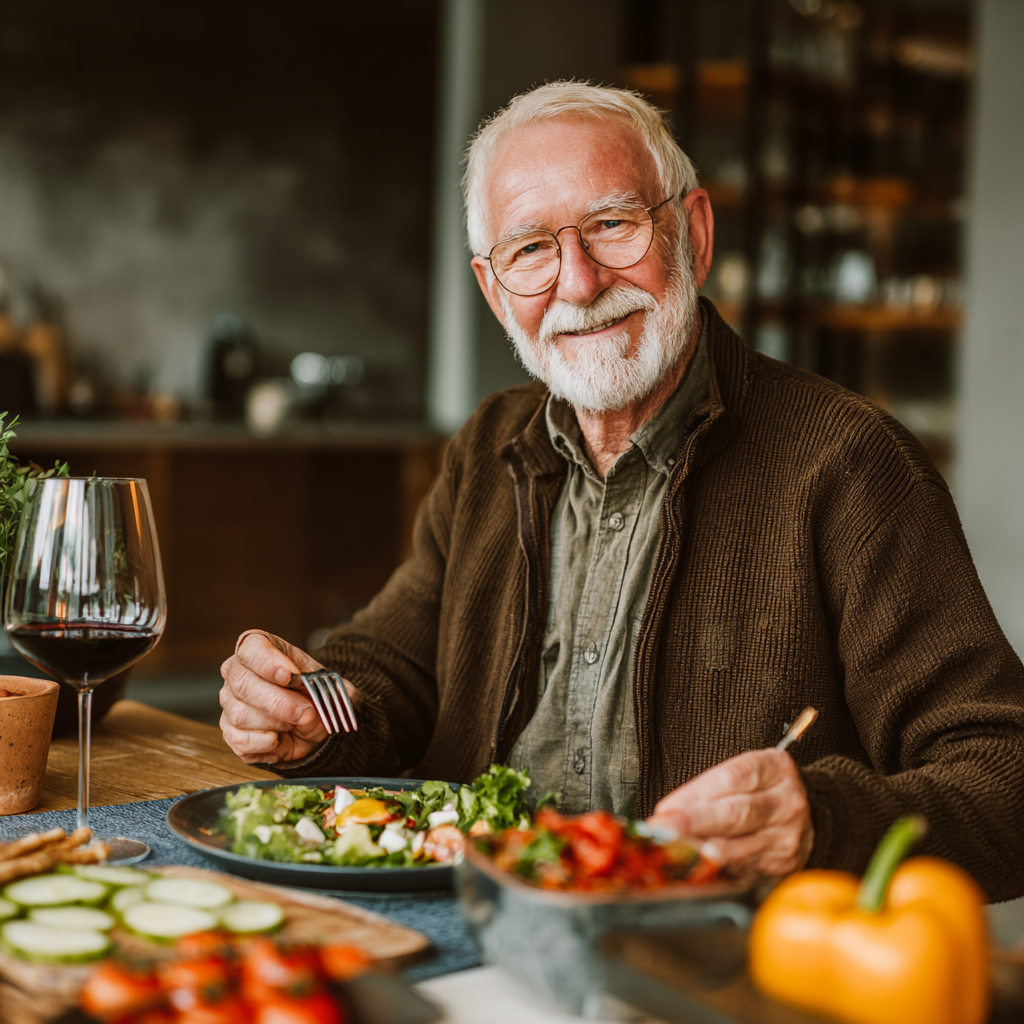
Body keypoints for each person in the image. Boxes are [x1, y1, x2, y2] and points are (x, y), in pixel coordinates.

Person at [218, 82, 1024, 899]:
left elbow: (1007, 773)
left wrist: (823, 822)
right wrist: (318, 710)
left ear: (694, 235)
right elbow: (396, 667)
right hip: (468, 926)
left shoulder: (851, 462)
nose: (578, 281)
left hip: (714, 971)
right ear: (495, 291)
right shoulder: (491, 444)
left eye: (612, 225)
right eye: (529, 248)